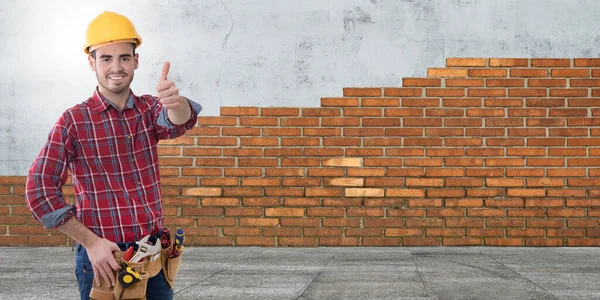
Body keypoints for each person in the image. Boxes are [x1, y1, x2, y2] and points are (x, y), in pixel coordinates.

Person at [24, 11, 201, 300]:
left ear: (136, 61)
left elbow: (178, 120)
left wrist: (176, 102)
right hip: (106, 259)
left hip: (153, 253)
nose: (116, 67)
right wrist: (91, 244)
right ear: (91, 62)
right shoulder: (73, 121)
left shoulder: (149, 109)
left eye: (124, 57)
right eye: (106, 58)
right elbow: (39, 191)